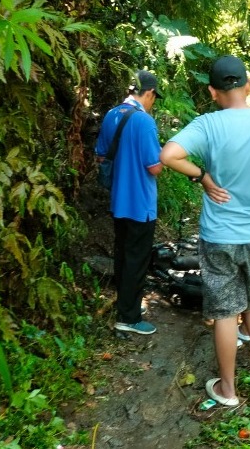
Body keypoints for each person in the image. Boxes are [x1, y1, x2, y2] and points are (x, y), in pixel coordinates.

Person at [160, 55, 250, 406]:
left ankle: (228, 390)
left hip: (220, 234)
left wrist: (203, 177)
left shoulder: (208, 125)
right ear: (249, 86)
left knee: (223, 312)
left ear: (212, 92)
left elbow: (169, 154)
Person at [95, 70, 163, 335]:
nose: (153, 103)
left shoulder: (112, 114)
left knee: (123, 255)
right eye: (154, 98)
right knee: (137, 259)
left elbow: (101, 156)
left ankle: (126, 304)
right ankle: (129, 317)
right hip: (140, 202)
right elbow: (154, 166)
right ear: (149, 93)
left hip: (118, 200)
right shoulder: (144, 122)